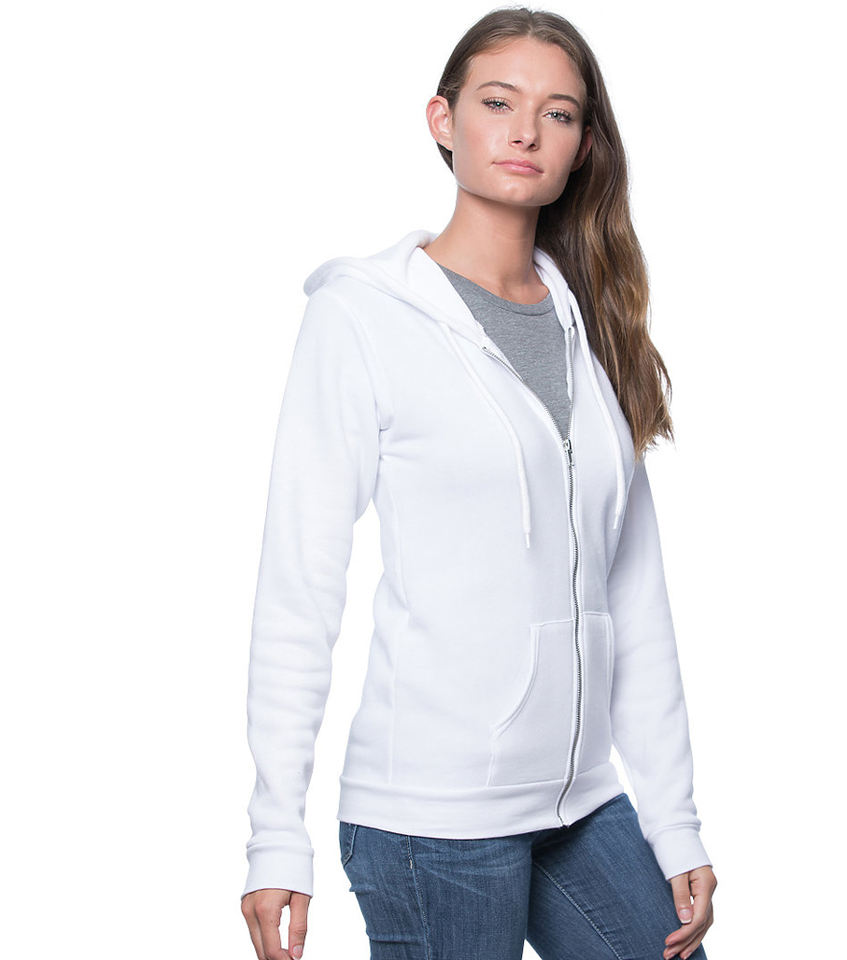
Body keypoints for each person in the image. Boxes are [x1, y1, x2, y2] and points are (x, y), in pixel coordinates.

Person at [240, 8, 717, 959]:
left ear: (584, 146)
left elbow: (635, 596)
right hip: (431, 817)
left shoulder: (593, 322)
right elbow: (300, 585)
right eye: (498, 103)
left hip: (581, 801)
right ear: (443, 120)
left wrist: (674, 818)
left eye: (559, 113)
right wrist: (274, 833)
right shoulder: (363, 318)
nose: (526, 131)